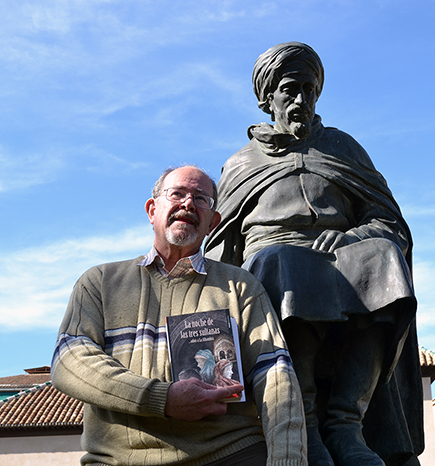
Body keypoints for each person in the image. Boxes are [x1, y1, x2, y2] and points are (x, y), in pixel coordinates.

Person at [205, 42, 423, 466]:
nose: (302, 99)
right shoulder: (241, 163)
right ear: (268, 97)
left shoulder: (343, 148)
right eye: (291, 89)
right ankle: (302, 423)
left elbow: (390, 222)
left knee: (384, 257)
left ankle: (345, 426)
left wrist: (352, 237)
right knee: (281, 263)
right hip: (271, 263)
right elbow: (221, 246)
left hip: (342, 258)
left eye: (310, 89)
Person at [51, 165, 306, 466]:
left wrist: (288, 459)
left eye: (201, 199)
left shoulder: (241, 286)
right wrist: (163, 399)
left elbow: (275, 375)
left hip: (230, 454)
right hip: (118, 459)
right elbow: (69, 362)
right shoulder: (99, 282)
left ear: (213, 222)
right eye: (177, 194)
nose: (188, 203)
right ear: (152, 209)